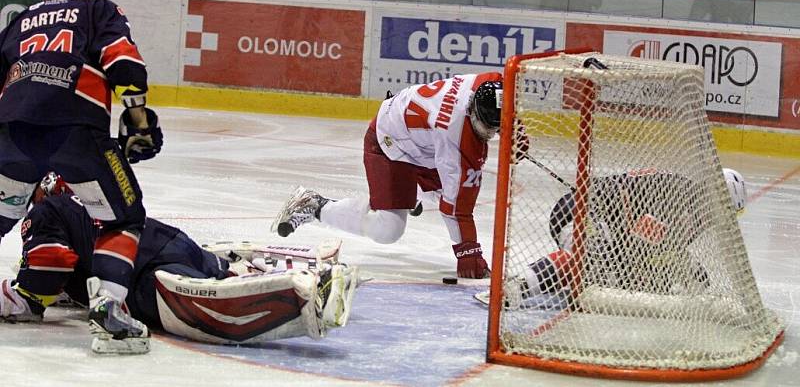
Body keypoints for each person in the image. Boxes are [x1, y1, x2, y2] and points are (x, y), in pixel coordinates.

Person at [0, 0, 163, 353]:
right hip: (76, 128)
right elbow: (121, 58)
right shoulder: (96, 10)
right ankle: (110, 313)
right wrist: (138, 116)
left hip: (13, 130)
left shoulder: (19, 21)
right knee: (123, 218)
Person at [0, 173, 359, 348]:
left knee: (213, 305)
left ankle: (311, 294)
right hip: (170, 241)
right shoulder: (94, 200)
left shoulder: (46, 212)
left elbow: (52, 263)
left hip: (144, 275)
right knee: (222, 273)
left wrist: (17, 297)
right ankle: (301, 266)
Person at [272, 73, 504, 279]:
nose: (490, 134)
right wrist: (468, 252)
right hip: (390, 143)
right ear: (471, 110)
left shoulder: (490, 83)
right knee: (389, 229)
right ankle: (315, 205)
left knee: (447, 189)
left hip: (421, 141)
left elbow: (505, 106)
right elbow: (457, 208)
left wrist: (517, 132)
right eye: (487, 128)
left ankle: (414, 194)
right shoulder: (455, 134)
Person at [477, 168, 748, 307]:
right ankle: (513, 287)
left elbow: (649, 247)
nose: (723, 220)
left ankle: (545, 280)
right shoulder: (680, 201)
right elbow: (641, 244)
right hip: (580, 212)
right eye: (725, 211)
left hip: (598, 218)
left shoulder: (690, 204)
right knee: (587, 261)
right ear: (716, 198)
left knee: (609, 276)